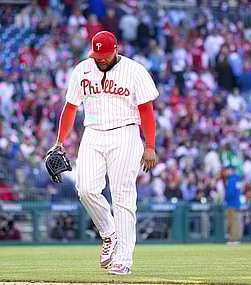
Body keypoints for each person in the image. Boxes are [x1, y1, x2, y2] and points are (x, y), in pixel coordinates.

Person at [47, 31, 158, 275]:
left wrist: (150, 145)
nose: (101, 59)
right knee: (85, 189)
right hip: (93, 132)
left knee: (123, 196)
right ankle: (109, 233)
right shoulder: (82, 70)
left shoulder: (135, 71)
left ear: (116, 49)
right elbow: (70, 108)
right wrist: (59, 142)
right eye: (97, 55)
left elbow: (147, 112)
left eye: (105, 55)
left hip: (126, 132)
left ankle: (124, 259)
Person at [225, 165, 242, 245]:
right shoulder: (237, 179)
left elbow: (230, 193)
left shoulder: (232, 179)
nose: (226, 171)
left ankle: (233, 239)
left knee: (232, 222)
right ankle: (236, 239)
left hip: (231, 203)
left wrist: (225, 198)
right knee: (236, 221)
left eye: (227, 170)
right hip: (237, 203)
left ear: (231, 170)